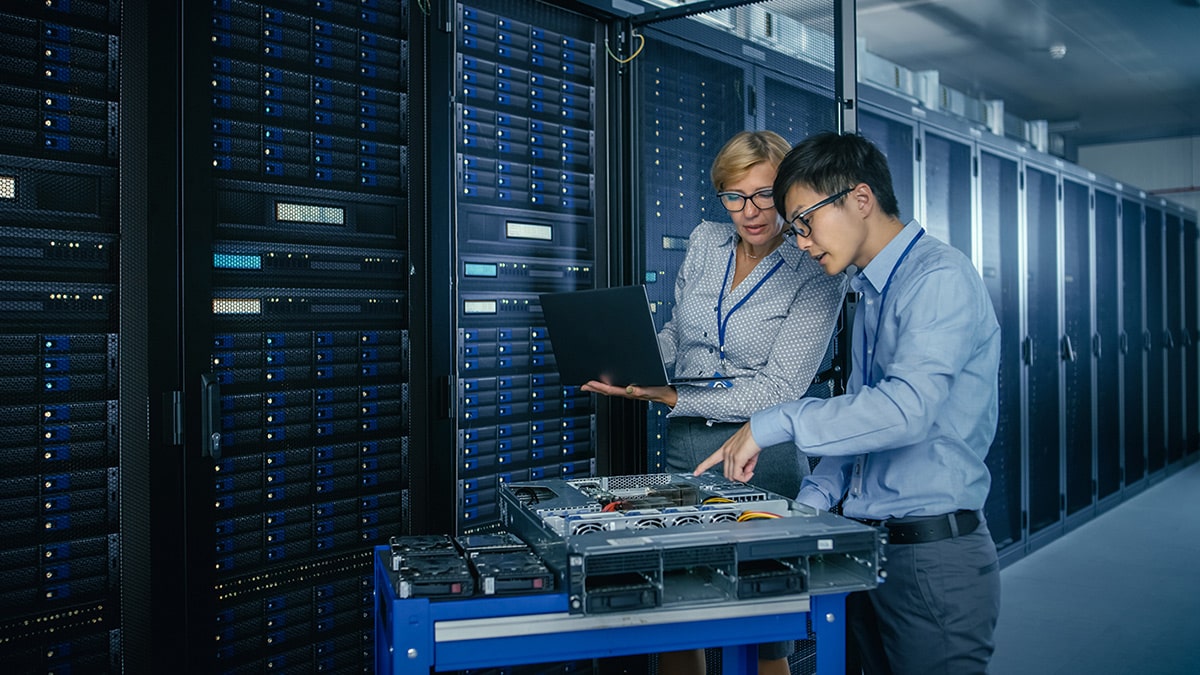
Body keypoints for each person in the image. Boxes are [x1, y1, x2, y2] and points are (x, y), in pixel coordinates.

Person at [694, 130, 1002, 675]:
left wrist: (773, 421)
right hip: (872, 551)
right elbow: (864, 424)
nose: (801, 242)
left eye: (805, 222)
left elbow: (904, 411)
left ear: (860, 199)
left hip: (931, 558)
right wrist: (803, 509)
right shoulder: (873, 291)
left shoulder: (938, 278)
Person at [582, 130, 848, 675]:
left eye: (764, 194)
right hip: (686, 446)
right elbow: (679, 337)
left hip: (762, 454)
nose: (749, 212)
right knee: (681, 613)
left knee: (765, 628)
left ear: (788, 192)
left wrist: (673, 394)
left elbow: (781, 389)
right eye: (734, 196)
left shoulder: (815, 266)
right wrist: (628, 365)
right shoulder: (706, 242)